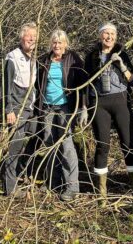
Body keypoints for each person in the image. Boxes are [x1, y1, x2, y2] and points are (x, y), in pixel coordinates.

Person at [82, 22, 133, 196]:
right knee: (102, 145)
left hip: (120, 101)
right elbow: (86, 83)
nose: (109, 37)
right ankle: (101, 190)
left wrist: (122, 66)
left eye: (112, 34)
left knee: (128, 143)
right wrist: (85, 107)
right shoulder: (92, 57)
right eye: (105, 34)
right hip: (99, 103)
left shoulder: (122, 53)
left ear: (116, 37)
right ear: (100, 36)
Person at [36, 29, 84, 201]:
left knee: (66, 144)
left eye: (60, 42)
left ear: (66, 44)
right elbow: (37, 84)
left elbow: (83, 83)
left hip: (65, 107)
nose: (57, 45)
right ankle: (52, 182)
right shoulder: (44, 60)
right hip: (47, 107)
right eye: (54, 42)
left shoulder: (73, 59)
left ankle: (72, 186)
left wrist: (82, 107)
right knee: (49, 143)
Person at [3, 22, 39, 197]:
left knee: (38, 136)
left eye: (34, 36)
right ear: (21, 37)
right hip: (17, 110)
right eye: (28, 35)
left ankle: (22, 172)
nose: (31, 39)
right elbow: (6, 87)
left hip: (31, 110)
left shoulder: (34, 58)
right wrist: (9, 110)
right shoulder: (13, 57)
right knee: (15, 148)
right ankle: (10, 188)